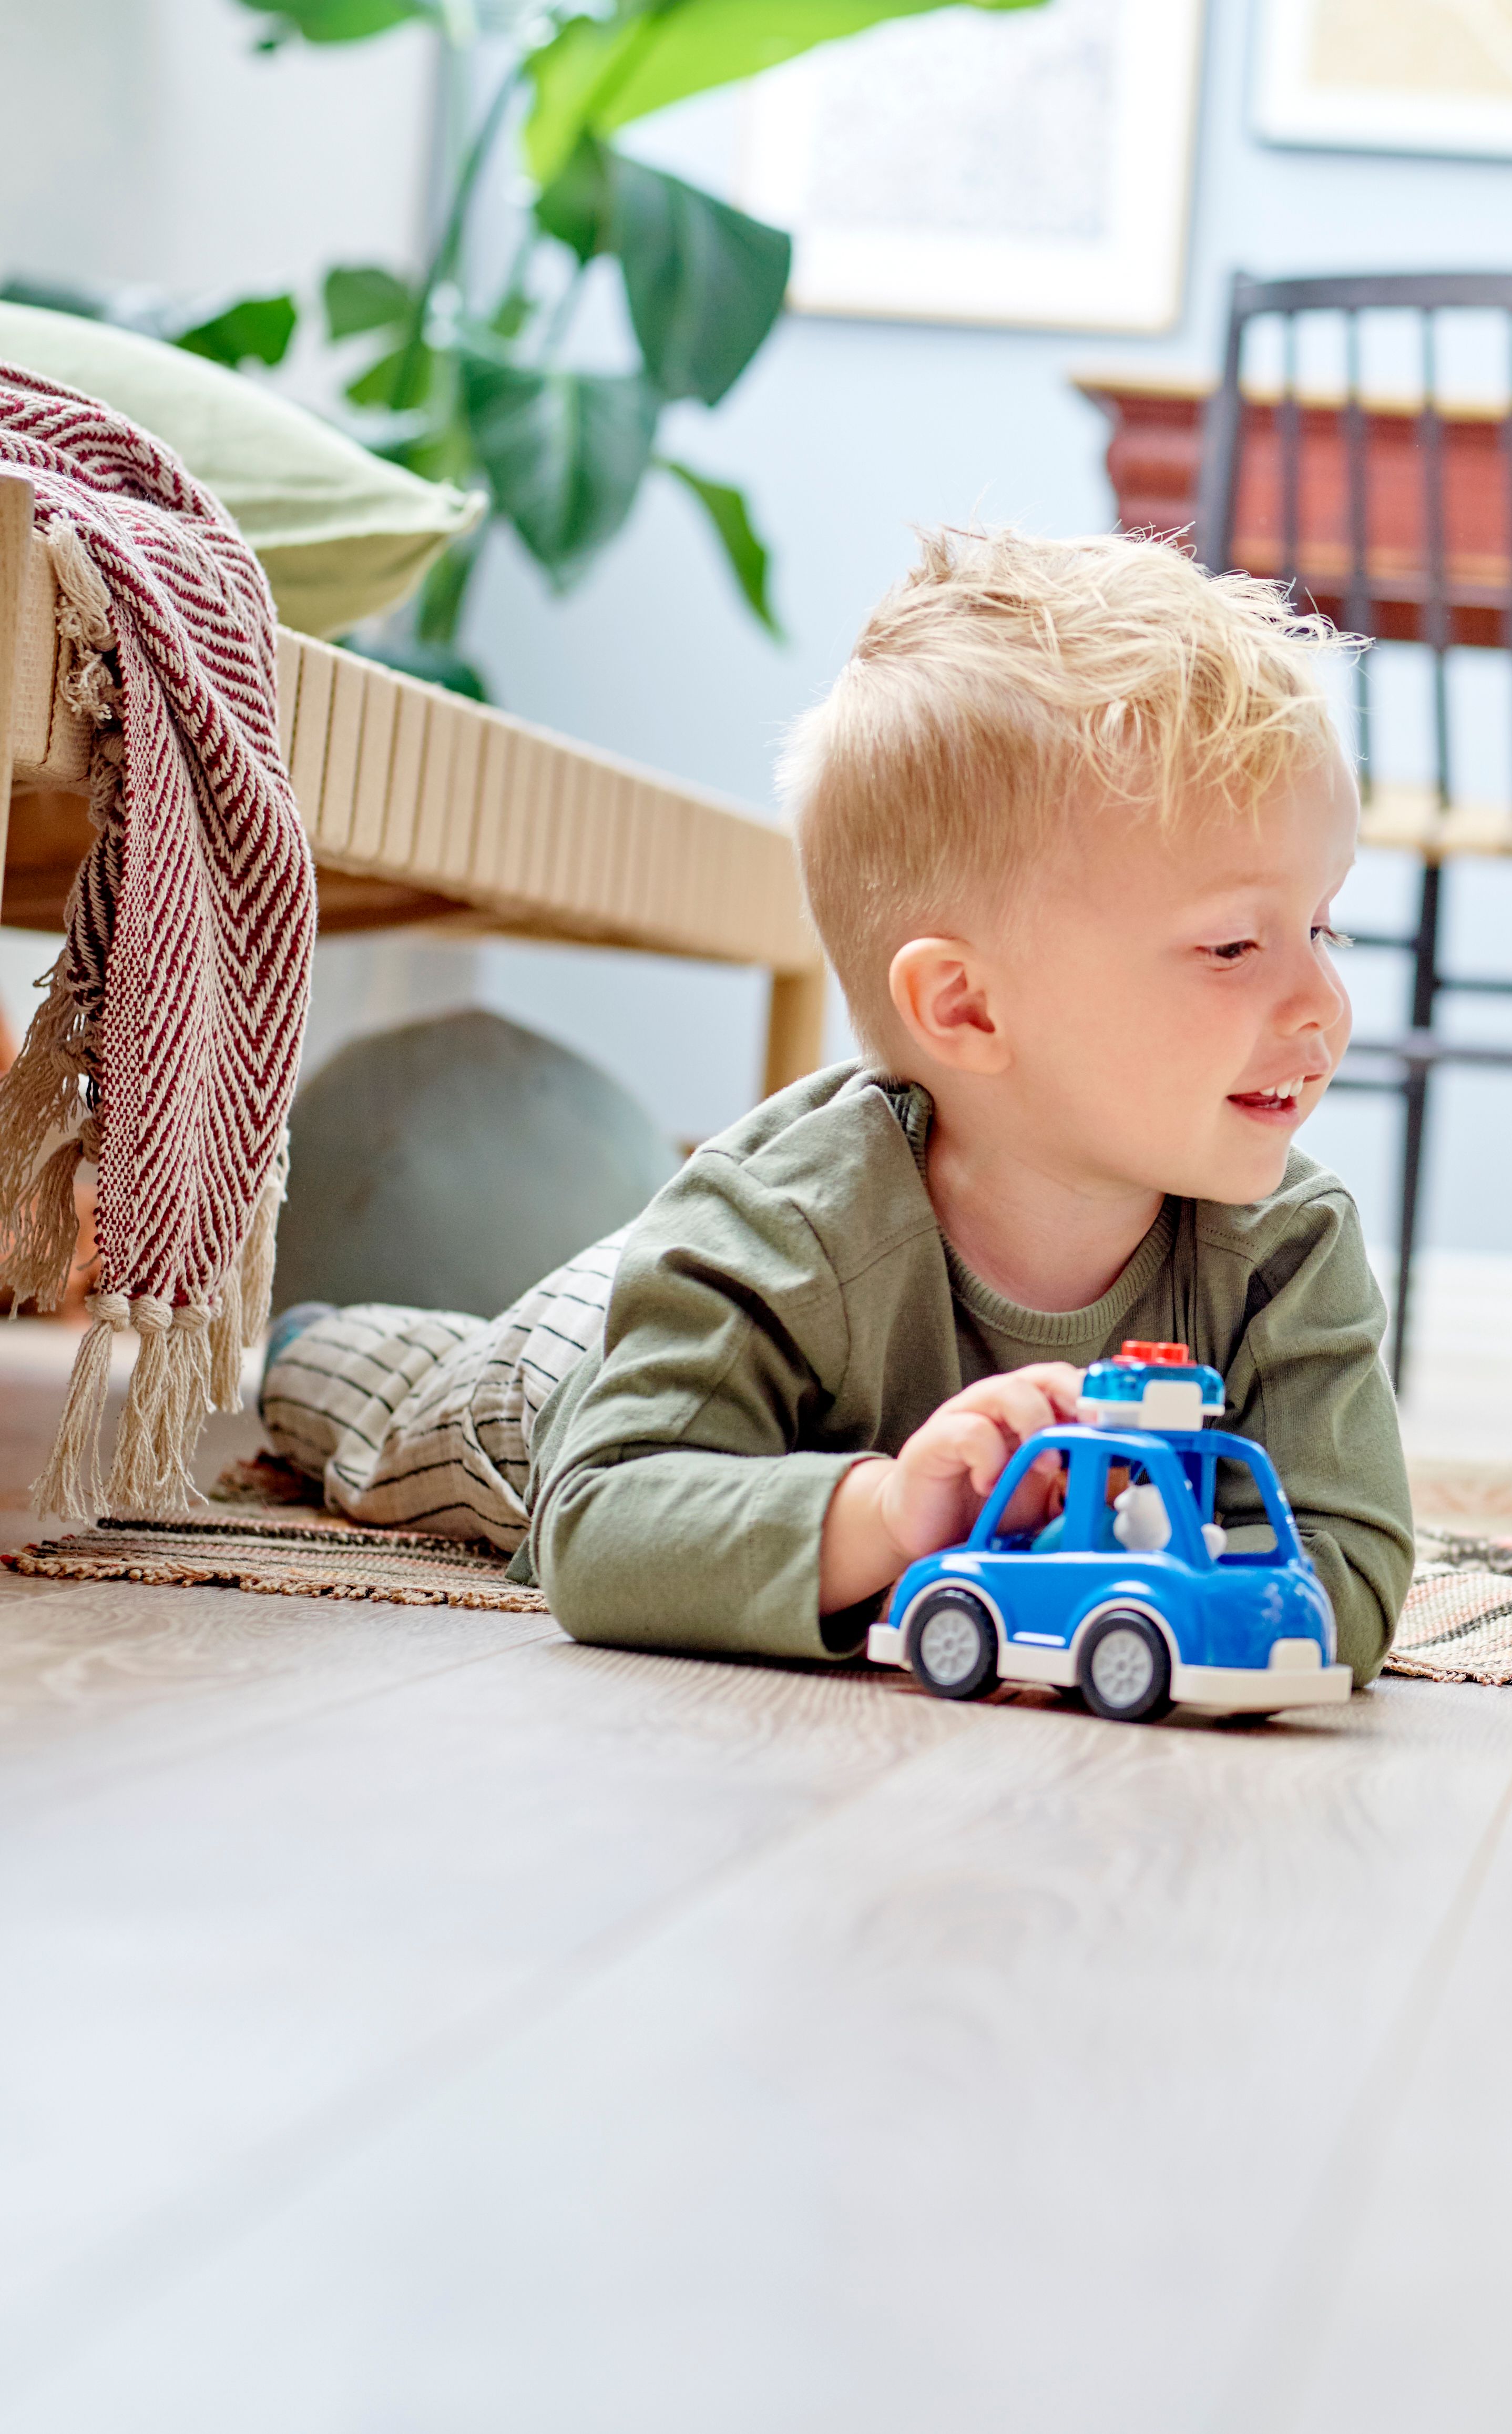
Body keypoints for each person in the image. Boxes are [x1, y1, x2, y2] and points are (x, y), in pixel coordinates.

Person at [260, 528, 1413, 1678]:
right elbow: (600, 1527)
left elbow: (1353, 1569)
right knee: (392, 1402)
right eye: (1231, 944)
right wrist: (889, 1512)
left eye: (1325, 926)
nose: (1325, 1004)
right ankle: (310, 1342)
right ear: (964, 1008)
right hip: (558, 1381)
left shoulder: (1290, 1251)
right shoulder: (779, 1222)